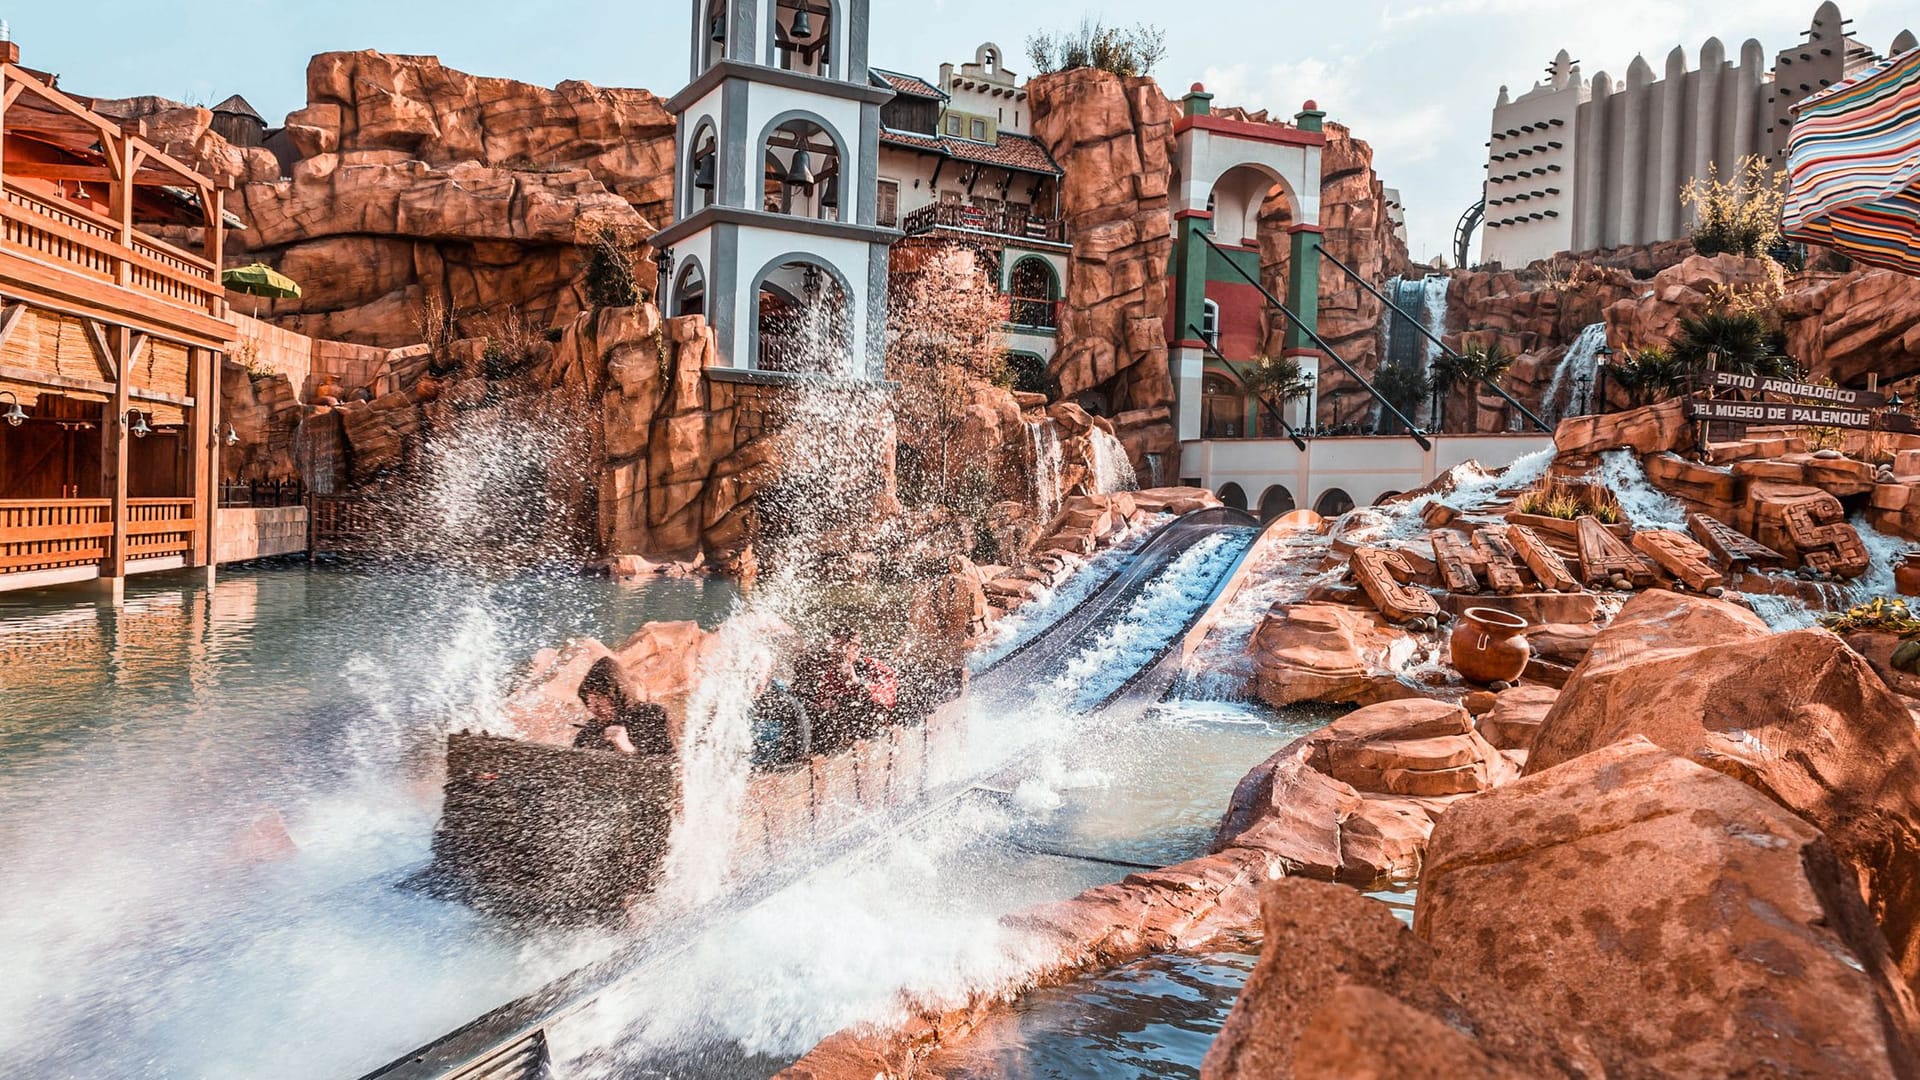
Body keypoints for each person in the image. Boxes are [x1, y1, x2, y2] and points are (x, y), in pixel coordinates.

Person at [574, 656, 674, 756]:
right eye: (589, 700)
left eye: (599, 698)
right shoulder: (589, 732)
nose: (592, 707)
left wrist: (628, 749)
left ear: (616, 693)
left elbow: (672, 766)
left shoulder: (653, 716)